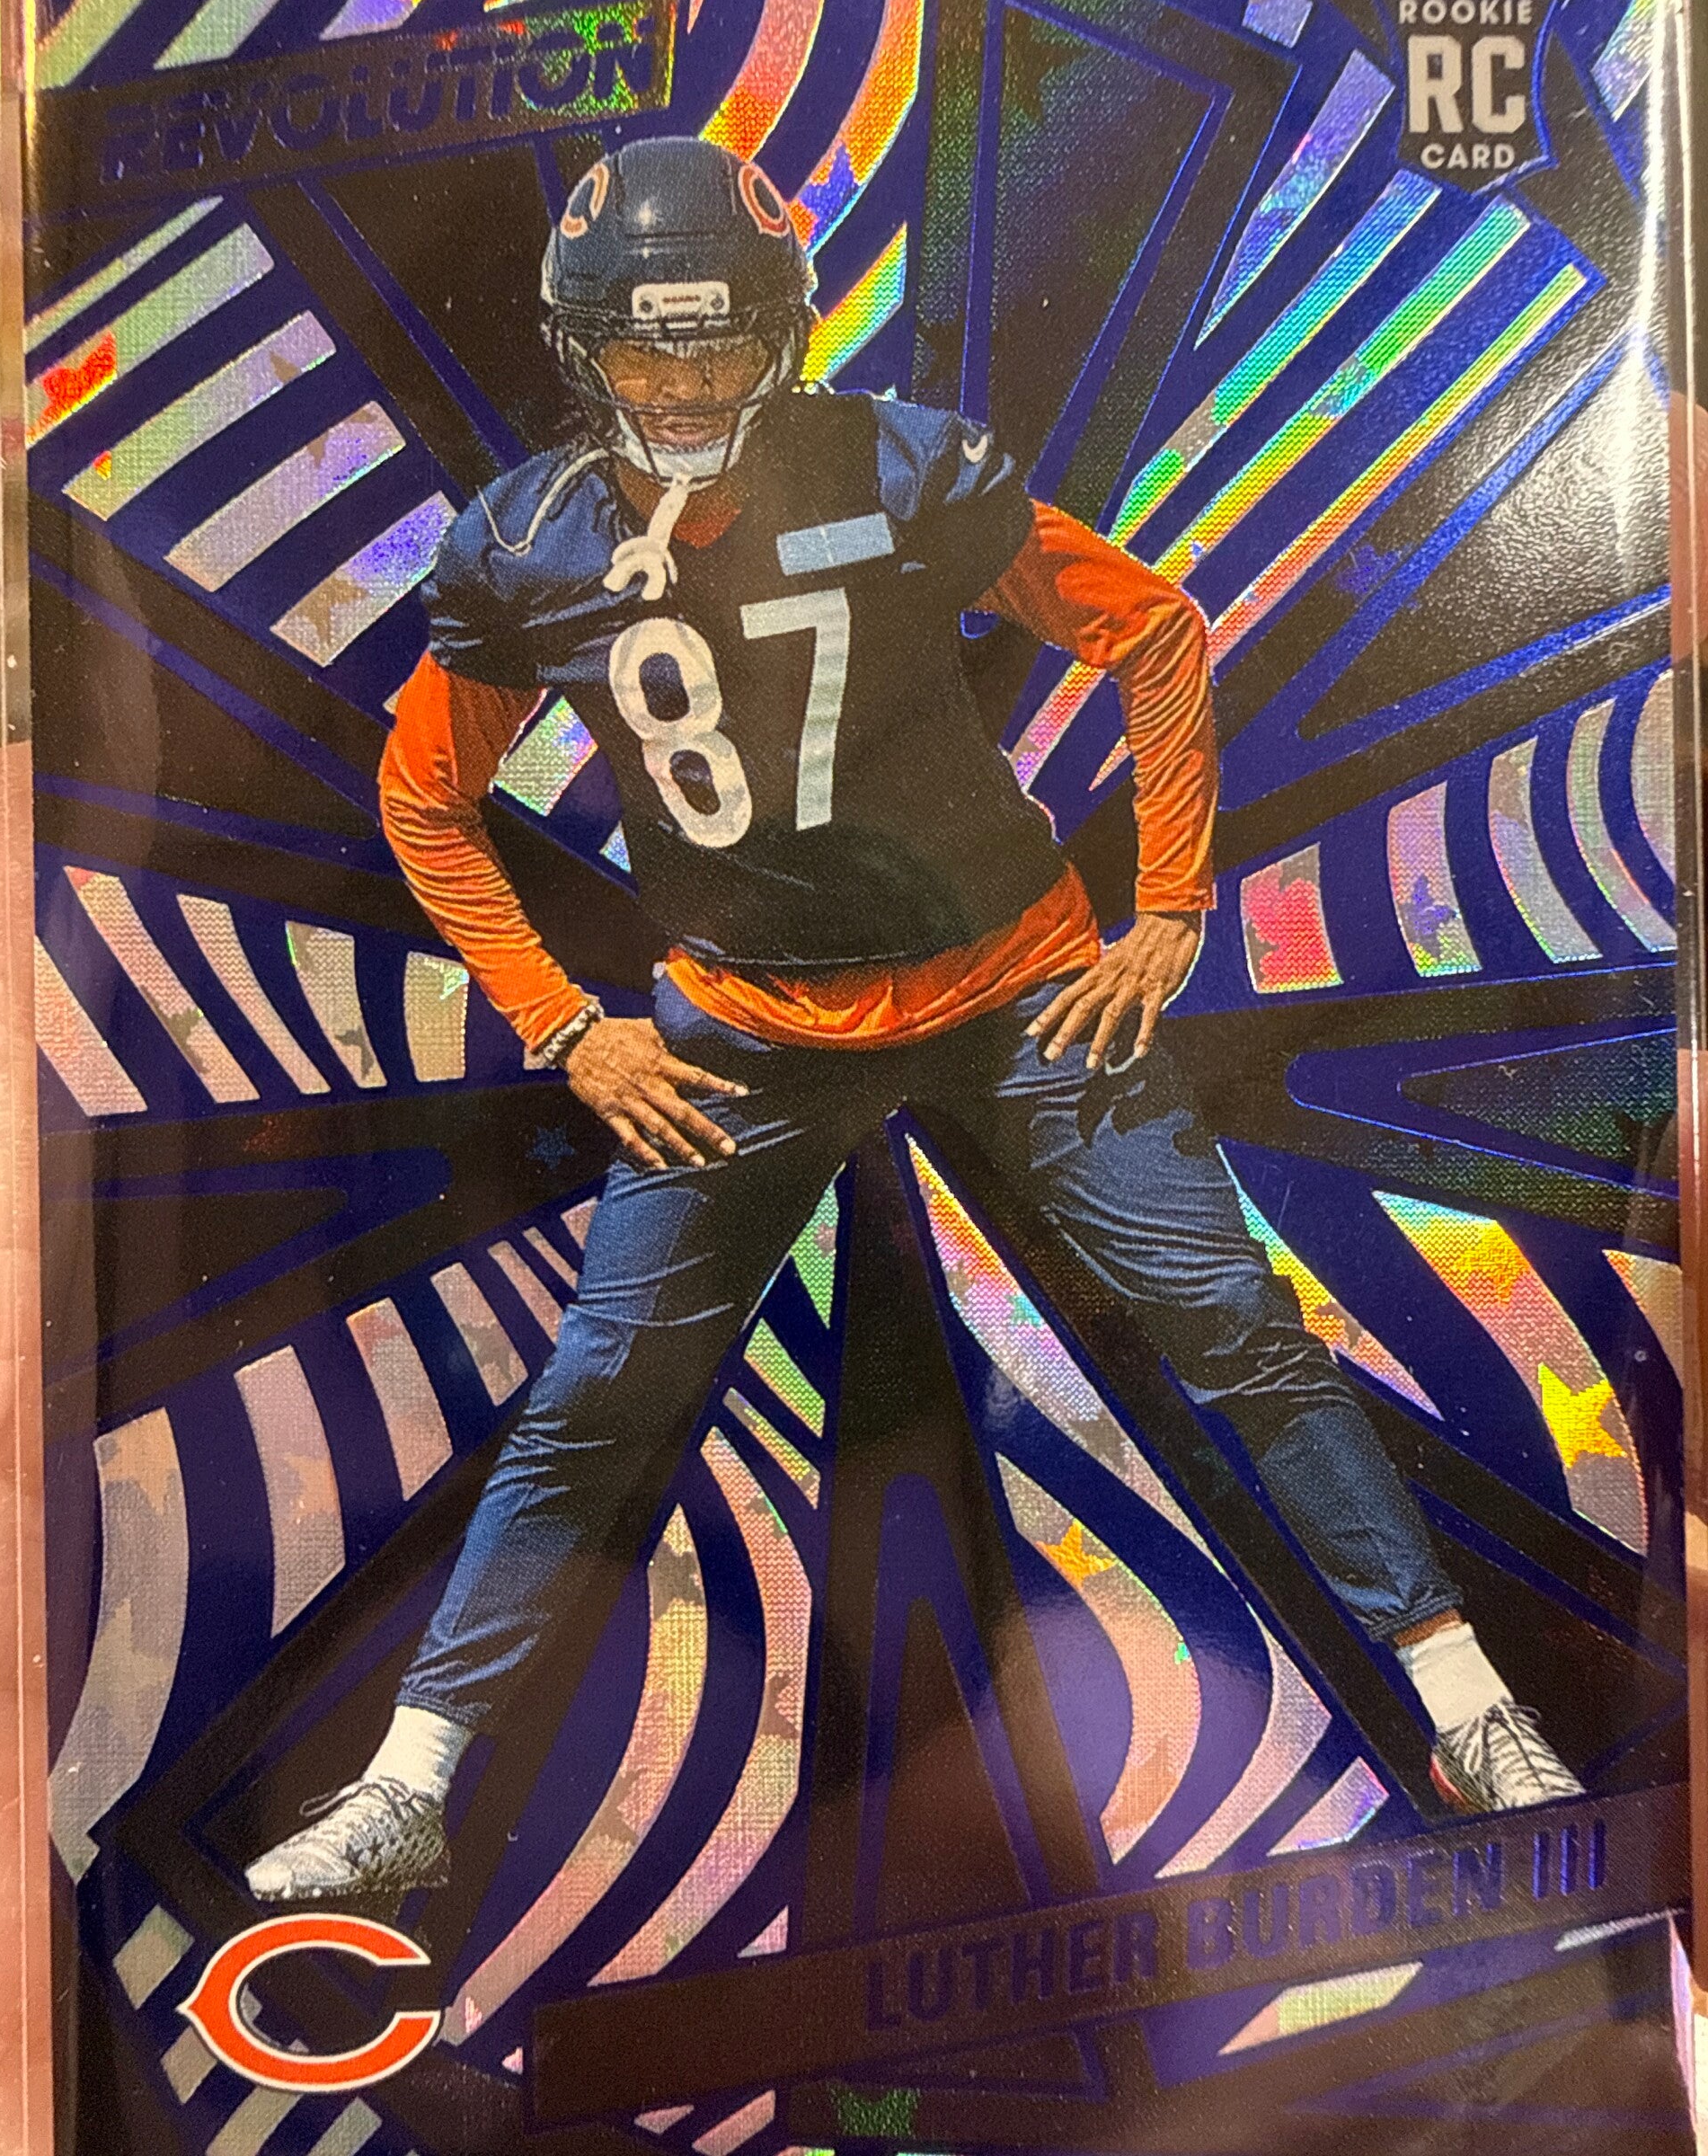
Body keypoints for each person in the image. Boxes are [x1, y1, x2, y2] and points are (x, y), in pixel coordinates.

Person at [246, 136, 1579, 1905]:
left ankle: (1466, 1704)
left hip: (1010, 984)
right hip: (742, 1026)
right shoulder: (527, 543)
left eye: (719, 341)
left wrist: (1172, 905)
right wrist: (565, 1024)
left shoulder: (891, 462)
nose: (683, 383)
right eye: (644, 345)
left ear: (779, 335)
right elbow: (426, 793)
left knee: (1231, 1320)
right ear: (583, 347)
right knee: (596, 1392)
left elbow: (1154, 631)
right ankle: (411, 1784)